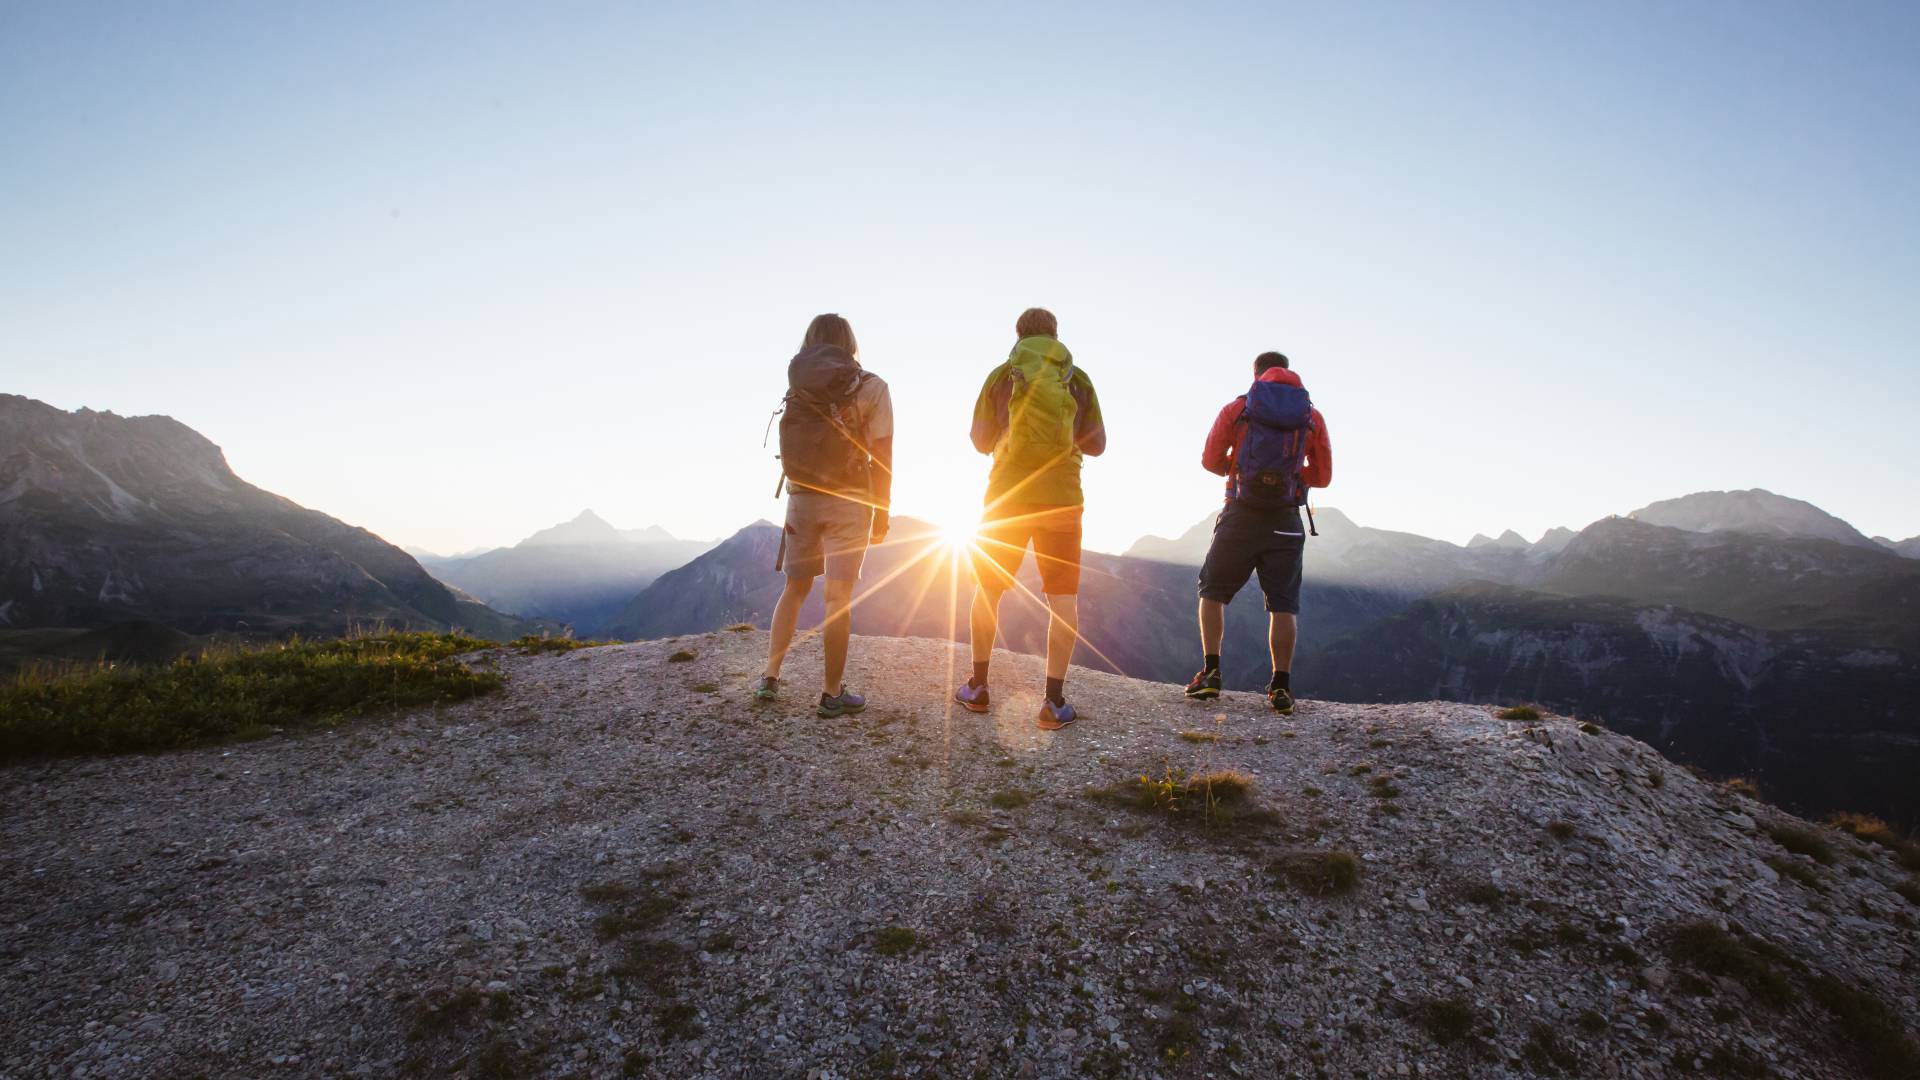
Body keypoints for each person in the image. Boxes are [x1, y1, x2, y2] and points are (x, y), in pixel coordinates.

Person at [954, 307, 1106, 729]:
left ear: (1018, 336)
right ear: (1056, 336)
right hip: (1062, 500)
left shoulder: (1003, 375)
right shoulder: (1076, 379)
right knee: (1062, 601)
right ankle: (1053, 702)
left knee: (988, 590)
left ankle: (978, 688)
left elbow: (980, 440)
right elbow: (1097, 445)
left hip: (1006, 498)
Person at [756, 313, 893, 718]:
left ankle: (769, 678)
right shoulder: (871, 386)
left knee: (794, 588)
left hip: (801, 497)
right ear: (849, 342)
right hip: (849, 501)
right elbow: (882, 455)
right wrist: (882, 510)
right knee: (838, 597)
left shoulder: (798, 384)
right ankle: (832, 694)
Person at [1185, 350, 1331, 714]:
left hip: (1241, 513)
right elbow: (1324, 476)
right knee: (1283, 604)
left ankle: (1212, 673)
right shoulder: (1311, 416)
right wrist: (1292, 477)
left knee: (1213, 590)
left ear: (1256, 376)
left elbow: (1209, 460)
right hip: (1285, 519)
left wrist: (1236, 470)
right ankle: (1281, 687)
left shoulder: (1238, 409)